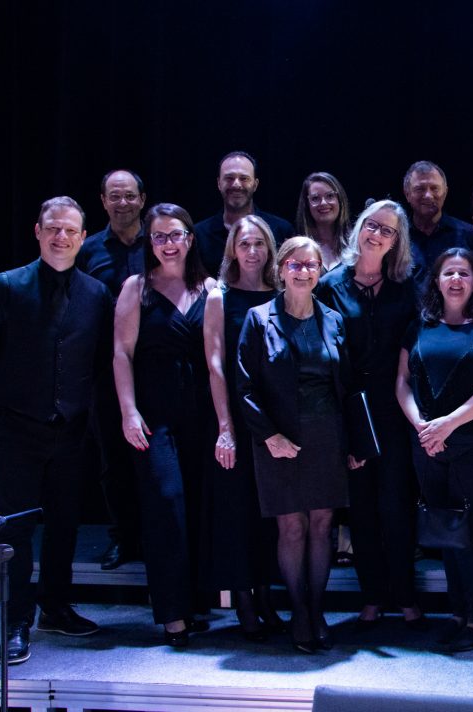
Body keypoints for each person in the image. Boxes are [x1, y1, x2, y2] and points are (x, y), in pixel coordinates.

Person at [0, 196, 113, 664]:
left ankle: (55, 608)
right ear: (37, 231)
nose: (61, 237)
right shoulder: (5, 286)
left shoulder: (96, 294)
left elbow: (100, 359)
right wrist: (13, 393)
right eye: (53, 228)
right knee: (14, 531)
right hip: (14, 430)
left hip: (70, 430)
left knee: (65, 524)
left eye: (70, 230)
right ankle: (16, 622)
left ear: (83, 237)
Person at [237, 237, 354, 653]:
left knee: (322, 525)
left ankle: (317, 609)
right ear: (281, 269)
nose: (303, 271)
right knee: (291, 527)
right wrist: (270, 436)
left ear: (320, 271)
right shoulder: (258, 319)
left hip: (327, 435)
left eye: (311, 265)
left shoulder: (334, 320)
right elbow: (245, 386)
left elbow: (347, 387)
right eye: (295, 264)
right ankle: (299, 610)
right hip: (278, 438)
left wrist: (353, 443)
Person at [316, 200, 427, 630]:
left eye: (388, 230)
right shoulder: (331, 285)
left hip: (396, 405)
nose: (377, 234)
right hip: (350, 406)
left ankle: (405, 594)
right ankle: (372, 596)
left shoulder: (407, 285)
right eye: (372, 225)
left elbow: (435, 325)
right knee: (361, 508)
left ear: (397, 241)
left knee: (397, 505)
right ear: (359, 228)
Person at [396, 248, 473, 652]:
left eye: (464, 273)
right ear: (437, 281)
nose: (456, 280)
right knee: (444, 529)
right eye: (449, 273)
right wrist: (422, 426)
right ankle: (457, 615)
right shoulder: (419, 326)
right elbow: (402, 382)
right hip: (427, 441)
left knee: (469, 532)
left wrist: (448, 424)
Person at [113, 203, 214, 647]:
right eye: (159, 236)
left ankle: (194, 605)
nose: (168, 244)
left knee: (197, 509)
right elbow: (121, 353)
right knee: (166, 504)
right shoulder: (136, 287)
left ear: (190, 238)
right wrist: (128, 411)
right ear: (149, 242)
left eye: (175, 235)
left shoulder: (209, 288)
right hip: (154, 416)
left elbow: (216, 361)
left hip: (200, 415)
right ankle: (173, 614)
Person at [202, 215, 284, 641]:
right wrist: (225, 427)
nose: (252, 251)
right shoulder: (220, 296)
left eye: (259, 243)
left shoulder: (281, 293)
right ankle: (243, 602)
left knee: (270, 512)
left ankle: (266, 595)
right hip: (233, 413)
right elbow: (215, 364)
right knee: (236, 512)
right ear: (232, 249)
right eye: (244, 243)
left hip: (273, 417)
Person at [77, 169, 148, 570]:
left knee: (158, 458)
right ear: (103, 201)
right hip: (105, 372)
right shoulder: (88, 251)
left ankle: (159, 538)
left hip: (155, 367)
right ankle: (124, 537)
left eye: (130, 196)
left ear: (142, 200)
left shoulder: (159, 242)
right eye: (115, 196)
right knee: (113, 460)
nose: (123, 203)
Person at [194, 151, 294, 276]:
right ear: (219, 183)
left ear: (255, 185)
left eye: (244, 178)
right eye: (229, 178)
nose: (236, 184)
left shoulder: (281, 231)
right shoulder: (199, 235)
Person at [402, 160, 473, 284]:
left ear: (445, 193)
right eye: (420, 189)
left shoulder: (470, 234)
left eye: (434, 188)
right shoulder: (396, 236)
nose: (428, 195)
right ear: (407, 194)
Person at [295, 171, 351, 272]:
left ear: (340, 200)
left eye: (330, 196)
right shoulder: (297, 248)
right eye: (315, 198)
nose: (323, 203)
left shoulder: (356, 244)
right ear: (307, 205)